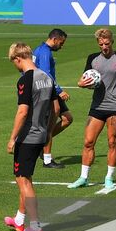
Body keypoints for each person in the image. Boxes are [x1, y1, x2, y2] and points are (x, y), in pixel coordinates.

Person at [69, 29, 116, 193]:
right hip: (97, 107)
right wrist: (81, 84)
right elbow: (82, 79)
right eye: (101, 44)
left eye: (107, 44)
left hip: (115, 107)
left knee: (112, 141)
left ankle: (109, 177)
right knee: (88, 142)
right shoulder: (92, 59)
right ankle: (83, 178)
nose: (104, 47)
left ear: (112, 42)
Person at [4, 42, 54, 231]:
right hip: (41, 133)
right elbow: (54, 109)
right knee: (24, 179)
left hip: (27, 136)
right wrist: (47, 132)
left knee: (24, 182)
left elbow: (23, 111)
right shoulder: (46, 77)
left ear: (18, 59)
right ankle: (19, 219)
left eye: (14, 62)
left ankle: (35, 227)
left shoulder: (26, 79)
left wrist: (12, 138)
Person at [33, 28, 71, 168]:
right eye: (61, 43)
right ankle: (47, 159)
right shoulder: (44, 52)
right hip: (46, 90)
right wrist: (59, 91)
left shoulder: (40, 49)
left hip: (49, 90)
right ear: (55, 39)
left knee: (67, 118)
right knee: (49, 125)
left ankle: (40, 144)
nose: (61, 46)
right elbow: (46, 74)